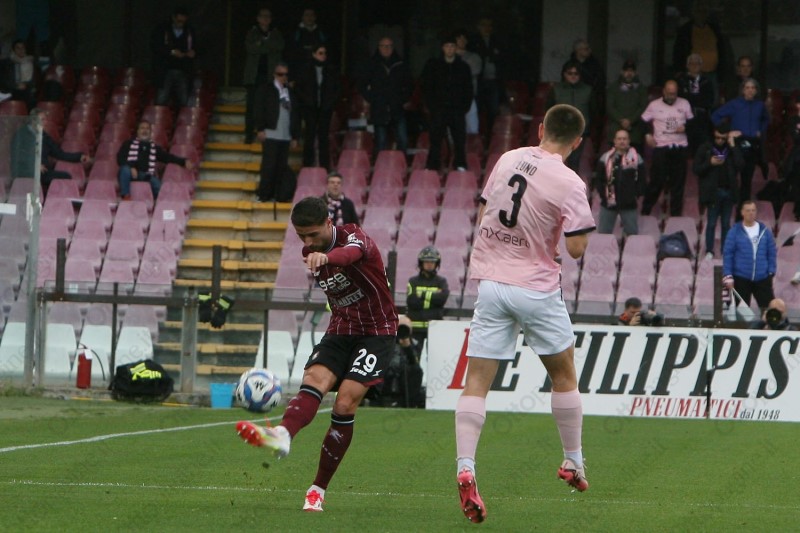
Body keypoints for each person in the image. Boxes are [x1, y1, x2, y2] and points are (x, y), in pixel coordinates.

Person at [454, 104, 596, 523]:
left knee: (476, 381)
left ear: (540, 129)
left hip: (492, 283)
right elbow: (576, 248)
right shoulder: (570, 182)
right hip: (535, 287)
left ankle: (466, 465)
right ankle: (573, 460)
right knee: (563, 374)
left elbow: (486, 214)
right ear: (577, 142)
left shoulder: (509, 158)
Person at [236, 196, 399, 513]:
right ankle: (282, 434)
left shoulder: (354, 236)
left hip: (377, 331)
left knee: (345, 401)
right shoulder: (309, 252)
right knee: (313, 379)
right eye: (302, 237)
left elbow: (351, 254)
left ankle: (317, 489)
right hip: (341, 328)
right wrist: (319, 254)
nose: (308, 243)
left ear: (328, 222)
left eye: (313, 234)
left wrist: (327, 257)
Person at [711, 78, 770, 211]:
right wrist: (727, 132)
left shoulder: (760, 105)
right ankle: (725, 210)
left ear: (756, 91)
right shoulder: (735, 103)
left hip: (752, 145)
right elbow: (715, 116)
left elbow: (766, 120)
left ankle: (742, 214)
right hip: (736, 144)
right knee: (730, 179)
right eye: (747, 87)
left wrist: (761, 130)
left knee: (746, 181)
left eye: (753, 88)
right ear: (743, 90)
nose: (750, 90)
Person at [640, 80, 694, 217]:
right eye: (669, 93)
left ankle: (675, 217)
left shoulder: (684, 103)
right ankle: (645, 212)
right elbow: (643, 121)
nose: (672, 96)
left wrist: (686, 127)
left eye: (674, 94)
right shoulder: (654, 105)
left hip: (679, 147)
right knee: (656, 182)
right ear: (664, 92)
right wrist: (647, 135)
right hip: (661, 147)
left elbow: (694, 122)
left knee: (678, 185)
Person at [422, 34, 473, 172]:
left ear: (456, 48)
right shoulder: (433, 66)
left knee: (459, 139)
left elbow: (468, 89)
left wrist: (464, 107)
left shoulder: (463, 67)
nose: (450, 49)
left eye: (452, 46)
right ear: (442, 48)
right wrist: (432, 106)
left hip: (457, 110)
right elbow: (427, 87)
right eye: (447, 46)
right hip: (438, 109)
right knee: (435, 139)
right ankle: (432, 165)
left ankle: (460, 164)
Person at [10, 108, 91, 190]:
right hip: (24, 172)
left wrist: (79, 157)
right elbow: (18, 155)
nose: (45, 123)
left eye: (45, 120)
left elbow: (59, 153)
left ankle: (54, 197)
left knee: (65, 176)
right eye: (42, 119)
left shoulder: (44, 136)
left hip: (42, 172)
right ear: (33, 121)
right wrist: (34, 165)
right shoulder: (21, 134)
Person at [693, 124, 743, 259]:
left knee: (726, 224)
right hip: (713, 192)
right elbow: (696, 169)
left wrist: (733, 146)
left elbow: (740, 165)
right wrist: (709, 163)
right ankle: (709, 251)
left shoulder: (731, 149)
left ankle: (725, 251)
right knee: (711, 223)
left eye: (723, 138)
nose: (720, 141)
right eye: (717, 138)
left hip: (729, 191)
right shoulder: (705, 148)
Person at [254, 62, 301, 202]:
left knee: (281, 167)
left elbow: (296, 114)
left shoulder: (290, 92)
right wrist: (260, 128)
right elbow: (259, 109)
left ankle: (278, 195)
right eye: (281, 74)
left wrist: (295, 136)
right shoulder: (266, 89)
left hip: (285, 135)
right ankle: (263, 194)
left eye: (286, 74)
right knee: (269, 165)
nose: (283, 77)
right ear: (274, 75)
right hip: (270, 133)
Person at [358, 37, 412, 156]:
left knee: (403, 140)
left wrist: (402, 99)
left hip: (397, 108)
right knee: (381, 142)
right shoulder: (372, 64)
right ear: (379, 48)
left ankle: (401, 164)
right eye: (383, 46)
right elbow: (362, 85)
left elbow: (409, 85)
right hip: (379, 108)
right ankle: (380, 164)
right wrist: (373, 99)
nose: (386, 49)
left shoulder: (401, 64)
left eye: (389, 46)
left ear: (393, 48)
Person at [116, 120, 193, 200]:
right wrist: (131, 167)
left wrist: (183, 161)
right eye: (142, 128)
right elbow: (120, 158)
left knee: (159, 187)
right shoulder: (128, 144)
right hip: (129, 173)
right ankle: (126, 196)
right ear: (138, 131)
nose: (145, 131)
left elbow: (168, 157)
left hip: (146, 175)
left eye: (147, 129)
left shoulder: (154, 147)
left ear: (150, 132)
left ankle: (157, 204)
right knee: (125, 169)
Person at [722, 200, 777, 310]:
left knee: (770, 311)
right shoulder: (734, 232)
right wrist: (728, 275)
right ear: (742, 212)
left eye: (753, 210)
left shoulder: (765, 231)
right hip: (741, 278)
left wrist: (771, 271)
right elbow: (728, 255)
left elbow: (771, 252)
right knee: (740, 314)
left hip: (763, 278)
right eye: (748, 210)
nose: (751, 213)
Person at [672, 4, 729, 104]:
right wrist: (679, 69)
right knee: (691, 100)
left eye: (704, 11)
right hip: (693, 73)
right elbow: (678, 50)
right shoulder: (686, 30)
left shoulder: (714, 29)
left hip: (712, 73)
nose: (701, 14)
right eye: (698, 11)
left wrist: (722, 72)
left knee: (713, 100)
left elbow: (722, 50)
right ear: (693, 13)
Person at [243, 8, 284, 144]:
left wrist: (262, 44)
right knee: (251, 106)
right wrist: (268, 47)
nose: (265, 19)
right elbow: (250, 48)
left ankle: (269, 134)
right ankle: (249, 134)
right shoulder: (252, 33)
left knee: (270, 107)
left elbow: (280, 46)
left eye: (268, 16)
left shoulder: (276, 33)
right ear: (258, 18)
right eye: (263, 16)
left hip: (270, 76)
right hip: (254, 76)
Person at [296, 44, 341, 169]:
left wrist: (330, 103)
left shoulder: (331, 70)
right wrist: (307, 101)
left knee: (324, 137)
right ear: (314, 54)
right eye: (320, 53)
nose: (323, 56)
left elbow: (337, 89)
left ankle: (324, 166)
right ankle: (307, 165)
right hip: (310, 108)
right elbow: (299, 88)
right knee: (309, 136)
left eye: (325, 53)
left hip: (325, 108)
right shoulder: (305, 69)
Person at [593, 129, 646, 236]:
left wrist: (635, 194)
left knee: (632, 235)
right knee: (603, 235)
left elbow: (642, 179)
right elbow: (599, 180)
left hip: (629, 203)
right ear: (615, 141)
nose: (622, 141)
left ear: (629, 141)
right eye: (619, 139)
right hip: (608, 203)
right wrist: (604, 195)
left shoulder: (637, 159)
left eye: (624, 139)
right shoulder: (605, 158)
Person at [546, 60, 593, 174]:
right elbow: (549, 110)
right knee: (556, 160)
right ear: (564, 74)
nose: (573, 76)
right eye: (570, 73)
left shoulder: (588, 90)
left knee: (574, 162)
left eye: (576, 73)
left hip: (579, 132)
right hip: (559, 131)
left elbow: (593, 112)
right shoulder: (556, 89)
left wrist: (587, 128)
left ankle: (570, 183)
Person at [150, 6, 196, 108]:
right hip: (165, 69)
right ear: (173, 18)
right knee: (162, 98)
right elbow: (155, 46)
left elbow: (196, 46)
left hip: (183, 69)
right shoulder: (162, 29)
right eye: (179, 21)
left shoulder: (190, 31)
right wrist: (171, 52)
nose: (181, 24)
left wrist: (193, 52)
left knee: (185, 100)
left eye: (183, 22)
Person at [376, 314, 424, 408]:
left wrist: (407, 348)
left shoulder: (414, 343)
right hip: (387, 370)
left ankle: (410, 403)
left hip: (405, 373)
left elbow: (414, 361)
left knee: (416, 371)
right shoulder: (387, 340)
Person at [406, 246, 450, 347]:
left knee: (435, 355)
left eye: (432, 262)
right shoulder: (413, 281)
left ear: (437, 264)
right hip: (415, 328)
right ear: (421, 263)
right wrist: (434, 298)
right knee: (413, 355)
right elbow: (412, 302)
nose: (429, 264)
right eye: (426, 261)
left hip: (435, 328)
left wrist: (422, 294)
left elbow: (442, 299)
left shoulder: (441, 281)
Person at [469, 17, 506, 135]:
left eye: (489, 25)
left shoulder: (496, 41)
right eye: (484, 25)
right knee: (477, 110)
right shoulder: (473, 41)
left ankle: (491, 136)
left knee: (493, 110)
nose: (487, 28)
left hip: (493, 81)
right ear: (478, 27)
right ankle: (479, 136)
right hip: (479, 81)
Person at [605, 59, 649, 153]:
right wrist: (621, 120)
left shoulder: (641, 88)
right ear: (622, 72)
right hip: (616, 130)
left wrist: (631, 121)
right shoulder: (613, 88)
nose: (629, 73)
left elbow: (643, 107)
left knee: (635, 158)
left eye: (631, 71)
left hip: (635, 132)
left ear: (635, 72)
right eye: (626, 71)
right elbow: (610, 107)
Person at [677, 53, 715, 153]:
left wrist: (692, 99)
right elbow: (680, 99)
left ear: (701, 66)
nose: (694, 66)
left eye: (697, 63)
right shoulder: (681, 80)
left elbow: (709, 100)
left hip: (702, 118)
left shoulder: (707, 81)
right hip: (684, 118)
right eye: (691, 63)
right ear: (687, 65)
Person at [454, 29, 482, 135]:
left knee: (472, 128)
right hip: (452, 98)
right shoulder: (446, 58)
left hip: (468, 96)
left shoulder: (474, 57)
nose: (461, 41)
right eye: (458, 38)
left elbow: (473, 72)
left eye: (463, 39)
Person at [288, 8, 327, 73]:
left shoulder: (321, 32)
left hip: (318, 68)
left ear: (315, 17)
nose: (309, 17)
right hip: (300, 68)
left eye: (312, 15)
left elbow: (326, 49)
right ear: (302, 17)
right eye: (307, 15)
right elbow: (291, 52)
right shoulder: (295, 32)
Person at [3, 40, 37, 110]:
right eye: (18, 48)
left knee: (29, 96)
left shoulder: (30, 62)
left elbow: (33, 82)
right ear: (13, 50)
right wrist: (16, 86)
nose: (21, 50)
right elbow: (3, 81)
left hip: (26, 90)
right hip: (10, 91)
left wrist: (26, 84)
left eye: (22, 48)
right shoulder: (6, 64)